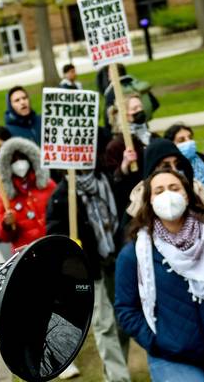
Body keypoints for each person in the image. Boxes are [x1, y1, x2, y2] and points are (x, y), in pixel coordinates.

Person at [114, 168, 204, 381]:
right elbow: (126, 308)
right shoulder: (135, 253)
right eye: (159, 191)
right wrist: (156, 340)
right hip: (172, 358)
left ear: (188, 194)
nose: (168, 195)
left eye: (174, 188)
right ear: (149, 201)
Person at [46, 130, 131, 382]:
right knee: (104, 324)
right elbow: (55, 237)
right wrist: (70, 248)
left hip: (117, 259)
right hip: (90, 268)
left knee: (123, 320)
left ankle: (115, 370)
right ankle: (119, 378)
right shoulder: (61, 197)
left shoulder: (107, 180)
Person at [0, 138, 55, 252]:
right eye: (14, 161)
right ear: (7, 166)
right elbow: (3, 236)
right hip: (27, 253)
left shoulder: (48, 185)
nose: (19, 164)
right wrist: (6, 225)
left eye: (22, 158)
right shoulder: (3, 197)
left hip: (54, 246)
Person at [101, 64, 160, 131]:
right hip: (143, 125)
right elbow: (155, 104)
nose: (108, 75)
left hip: (125, 130)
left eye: (109, 72)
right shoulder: (136, 84)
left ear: (115, 73)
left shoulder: (114, 90)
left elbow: (108, 117)